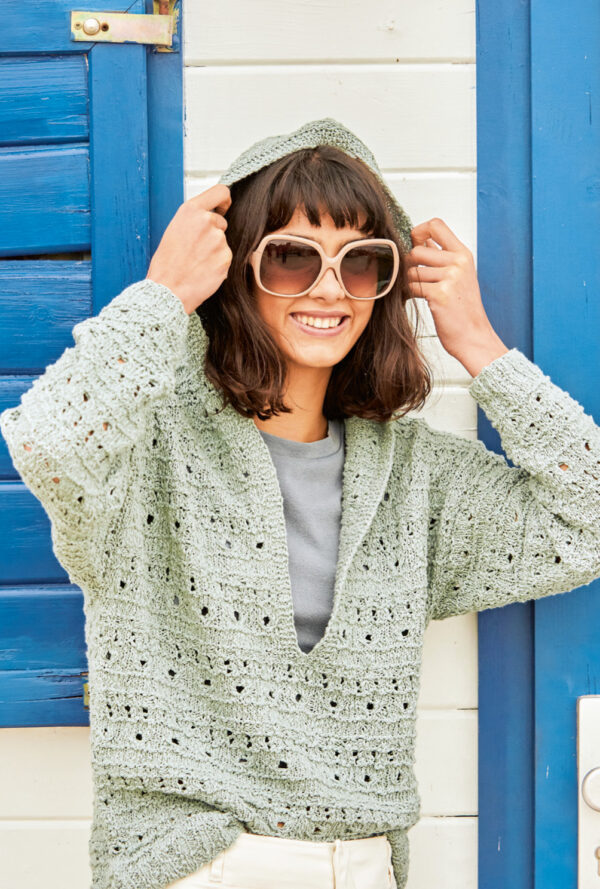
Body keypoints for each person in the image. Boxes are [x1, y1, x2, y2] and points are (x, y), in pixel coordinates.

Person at [1, 118, 600, 889]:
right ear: (237, 271)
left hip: (365, 865)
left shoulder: (414, 474)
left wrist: (479, 344)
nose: (328, 287)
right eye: (292, 256)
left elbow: (587, 519)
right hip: (197, 867)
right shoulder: (150, 446)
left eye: (361, 261)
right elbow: (51, 442)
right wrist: (162, 297)